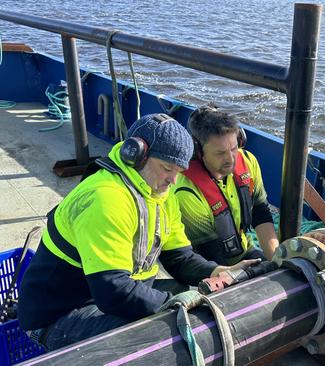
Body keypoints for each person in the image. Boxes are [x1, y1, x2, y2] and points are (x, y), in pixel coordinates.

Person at [18, 113, 258, 351]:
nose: (173, 181)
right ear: (136, 155)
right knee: (164, 334)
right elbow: (111, 291)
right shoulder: (106, 198)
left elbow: (179, 258)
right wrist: (171, 304)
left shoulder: (161, 195)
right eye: (166, 168)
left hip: (106, 294)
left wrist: (218, 271)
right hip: (59, 316)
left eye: (179, 172)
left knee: (188, 299)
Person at [174, 106, 279, 266]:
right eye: (220, 153)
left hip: (243, 252)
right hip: (206, 266)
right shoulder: (187, 192)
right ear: (198, 152)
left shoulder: (249, 162)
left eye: (234, 148)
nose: (231, 159)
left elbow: (260, 213)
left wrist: (277, 262)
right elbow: (210, 254)